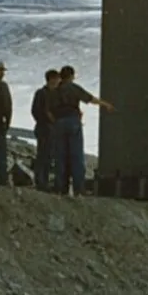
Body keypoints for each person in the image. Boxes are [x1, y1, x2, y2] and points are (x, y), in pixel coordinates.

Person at [48, 65, 113, 197]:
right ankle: (79, 189)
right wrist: (106, 105)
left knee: (60, 156)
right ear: (71, 76)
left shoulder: (55, 90)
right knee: (76, 156)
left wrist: (55, 121)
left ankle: (61, 188)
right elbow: (90, 99)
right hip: (73, 122)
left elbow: (48, 110)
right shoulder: (73, 88)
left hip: (58, 123)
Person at [30, 69, 61, 192]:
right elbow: (36, 111)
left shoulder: (56, 94)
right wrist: (47, 120)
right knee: (43, 155)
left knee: (49, 156)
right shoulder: (41, 93)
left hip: (53, 129)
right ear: (52, 79)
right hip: (44, 129)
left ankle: (45, 181)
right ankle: (41, 182)